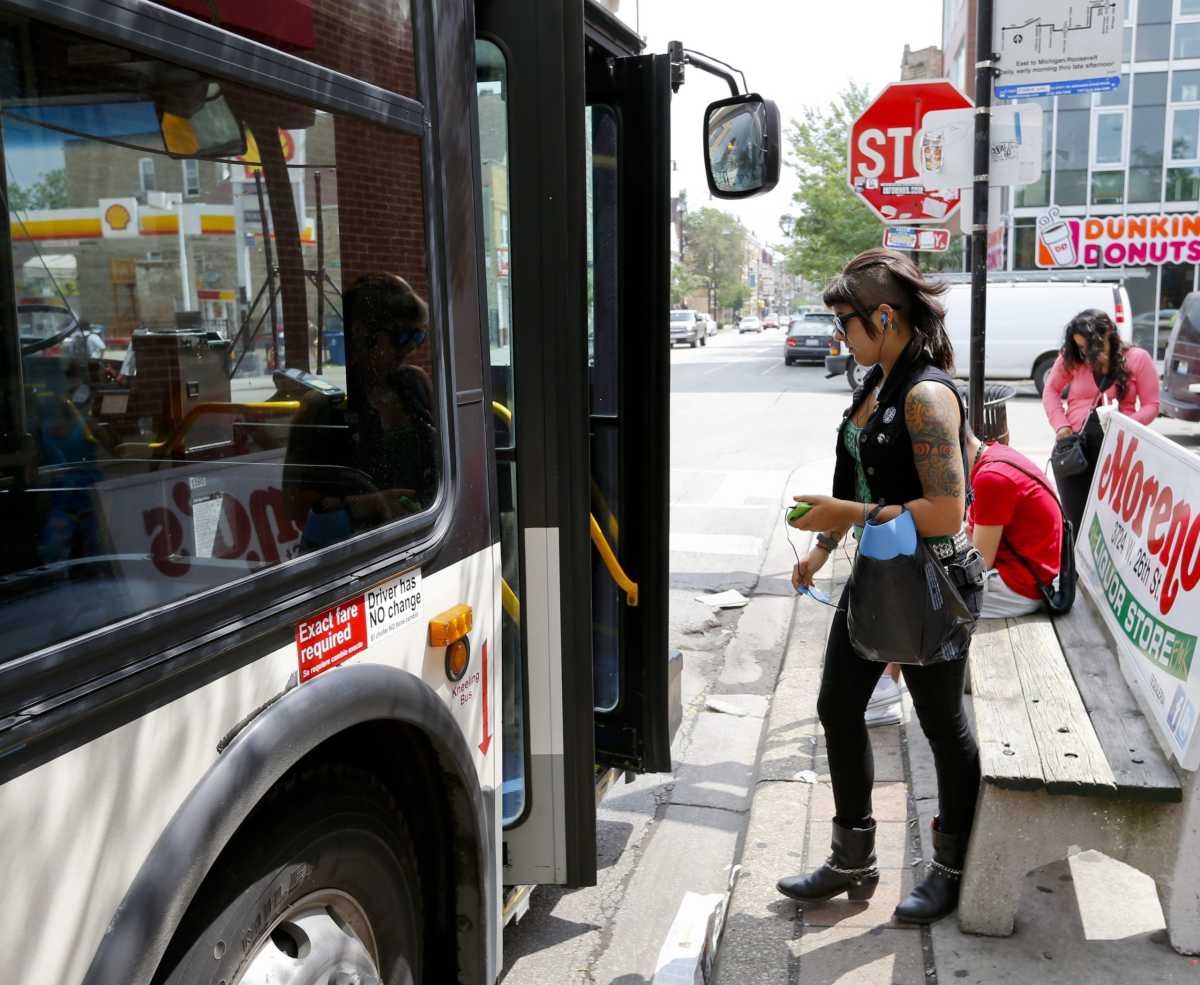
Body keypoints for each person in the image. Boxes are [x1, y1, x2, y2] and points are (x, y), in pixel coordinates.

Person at [777, 248, 984, 925]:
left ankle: (952, 867)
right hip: (881, 575)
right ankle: (851, 856)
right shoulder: (873, 384)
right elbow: (852, 481)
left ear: (885, 317)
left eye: (846, 323)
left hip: (932, 587)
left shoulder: (925, 395)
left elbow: (947, 511)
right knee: (838, 706)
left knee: (942, 727)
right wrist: (822, 544)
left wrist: (846, 517)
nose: (840, 336)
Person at [283, 272, 439, 551]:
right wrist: (370, 505)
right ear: (362, 334)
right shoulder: (325, 408)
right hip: (354, 554)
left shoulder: (414, 386)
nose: (410, 350)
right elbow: (295, 505)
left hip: (418, 537)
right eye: (402, 336)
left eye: (419, 336)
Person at [1042, 309, 1159, 532]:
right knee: (1075, 521)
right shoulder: (1073, 357)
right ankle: (1073, 567)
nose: (1084, 353)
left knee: (1110, 524)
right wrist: (1061, 425)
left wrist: (1126, 425)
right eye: (1080, 348)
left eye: (1088, 346)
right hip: (1075, 447)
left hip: (1119, 449)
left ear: (1107, 336)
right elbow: (1051, 391)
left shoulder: (1137, 358)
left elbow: (1152, 406)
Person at [966, 427, 1063, 618]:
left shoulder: (989, 478)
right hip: (1039, 574)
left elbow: (979, 566)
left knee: (930, 596)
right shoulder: (996, 453)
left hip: (1024, 586)